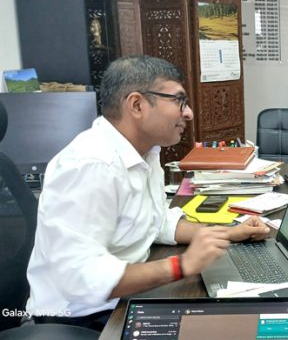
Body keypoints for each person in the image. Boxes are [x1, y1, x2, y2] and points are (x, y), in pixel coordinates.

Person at [25, 55, 270, 330]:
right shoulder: (91, 165)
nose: (188, 113)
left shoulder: (146, 153)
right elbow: (80, 278)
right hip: (84, 318)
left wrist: (225, 233)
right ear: (137, 104)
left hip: (123, 297)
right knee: (234, 327)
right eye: (179, 101)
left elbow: (155, 221)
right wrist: (181, 265)